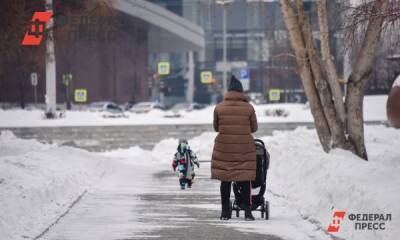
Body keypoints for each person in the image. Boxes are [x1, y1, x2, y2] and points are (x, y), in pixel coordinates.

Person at [211, 75, 258, 221]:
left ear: (229, 91)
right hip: (244, 149)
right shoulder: (249, 108)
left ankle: (225, 212)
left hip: (224, 149)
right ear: (241, 91)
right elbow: (254, 128)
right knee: (244, 180)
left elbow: (216, 127)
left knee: (225, 180)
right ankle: (248, 212)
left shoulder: (219, 108)